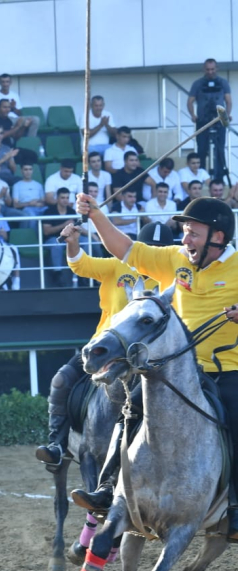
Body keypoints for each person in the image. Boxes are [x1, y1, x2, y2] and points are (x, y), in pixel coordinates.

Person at [70, 192, 238, 541]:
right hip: (173, 368)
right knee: (129, 411)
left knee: (236, 423)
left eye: (193, 233)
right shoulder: (174, 259)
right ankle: (106, 487)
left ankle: (234, 506)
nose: (185, 239)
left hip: (226, 370)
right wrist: (96, 214)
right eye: (186, 232)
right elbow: (126, 249)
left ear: (218, 237)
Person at [34, 220, 170, 469]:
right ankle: (57, 444)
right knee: (61, 381)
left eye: (161, 249)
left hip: (151, 358)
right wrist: (72, 242)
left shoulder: (175, 278)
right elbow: (81, 264)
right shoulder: (117, 265)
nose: (155, 254)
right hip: (106, 351)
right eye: (150, 248)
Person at [188, 58, 232, 178]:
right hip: (202, 121)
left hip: (219, 120)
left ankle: (219, 178)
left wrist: (227, 115)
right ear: (204, 69)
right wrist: (193, 115)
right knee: (202, 149)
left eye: (212, 69)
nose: (210, 72)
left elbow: (228, 101)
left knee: (220, 150)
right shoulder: (197, 83)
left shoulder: (223, 83)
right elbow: (190, 101)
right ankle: (201, 177)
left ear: (216, 68)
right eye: (208, 69)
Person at [42, 187, 90, 286]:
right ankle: (57, 274)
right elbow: (46, 231)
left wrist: (86, 232)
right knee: (56, 245)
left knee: (86, 241)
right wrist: (64, 224)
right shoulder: (49, 211)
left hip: (70, 238)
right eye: (62, 197)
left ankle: (83, 273)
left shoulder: (71, 211)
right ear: (57, 199)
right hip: (53, 239)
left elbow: (77, 227)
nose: (65, 200)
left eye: (67, 198)